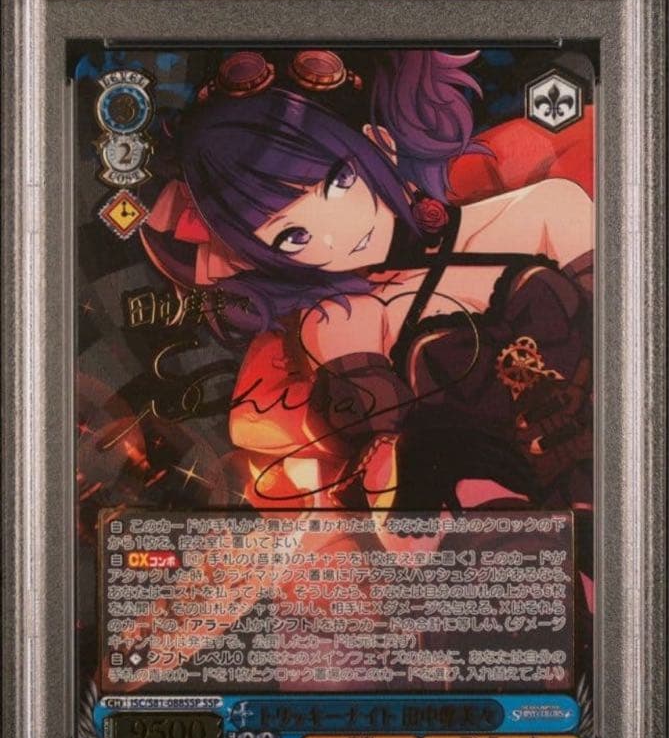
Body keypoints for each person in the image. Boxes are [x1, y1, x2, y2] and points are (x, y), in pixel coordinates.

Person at [142, 49, 593, 528]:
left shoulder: (546, 209)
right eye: (292, 236)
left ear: (381, 144)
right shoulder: (343, 318)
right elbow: (390, 489)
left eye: (339, 182)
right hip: (512, 527)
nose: (335, 235)